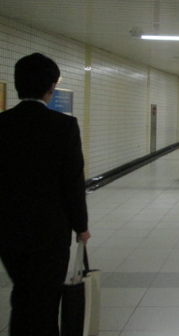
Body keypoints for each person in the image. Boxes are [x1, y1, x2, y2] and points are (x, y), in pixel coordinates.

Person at [0, 53, 90, 336]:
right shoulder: (64, 126)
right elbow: (73, 182)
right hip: (50, 233)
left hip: (8, 231)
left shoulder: (2, 124)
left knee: (22, 294)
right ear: (51, 86)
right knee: (46, 301)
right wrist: (81, 226)